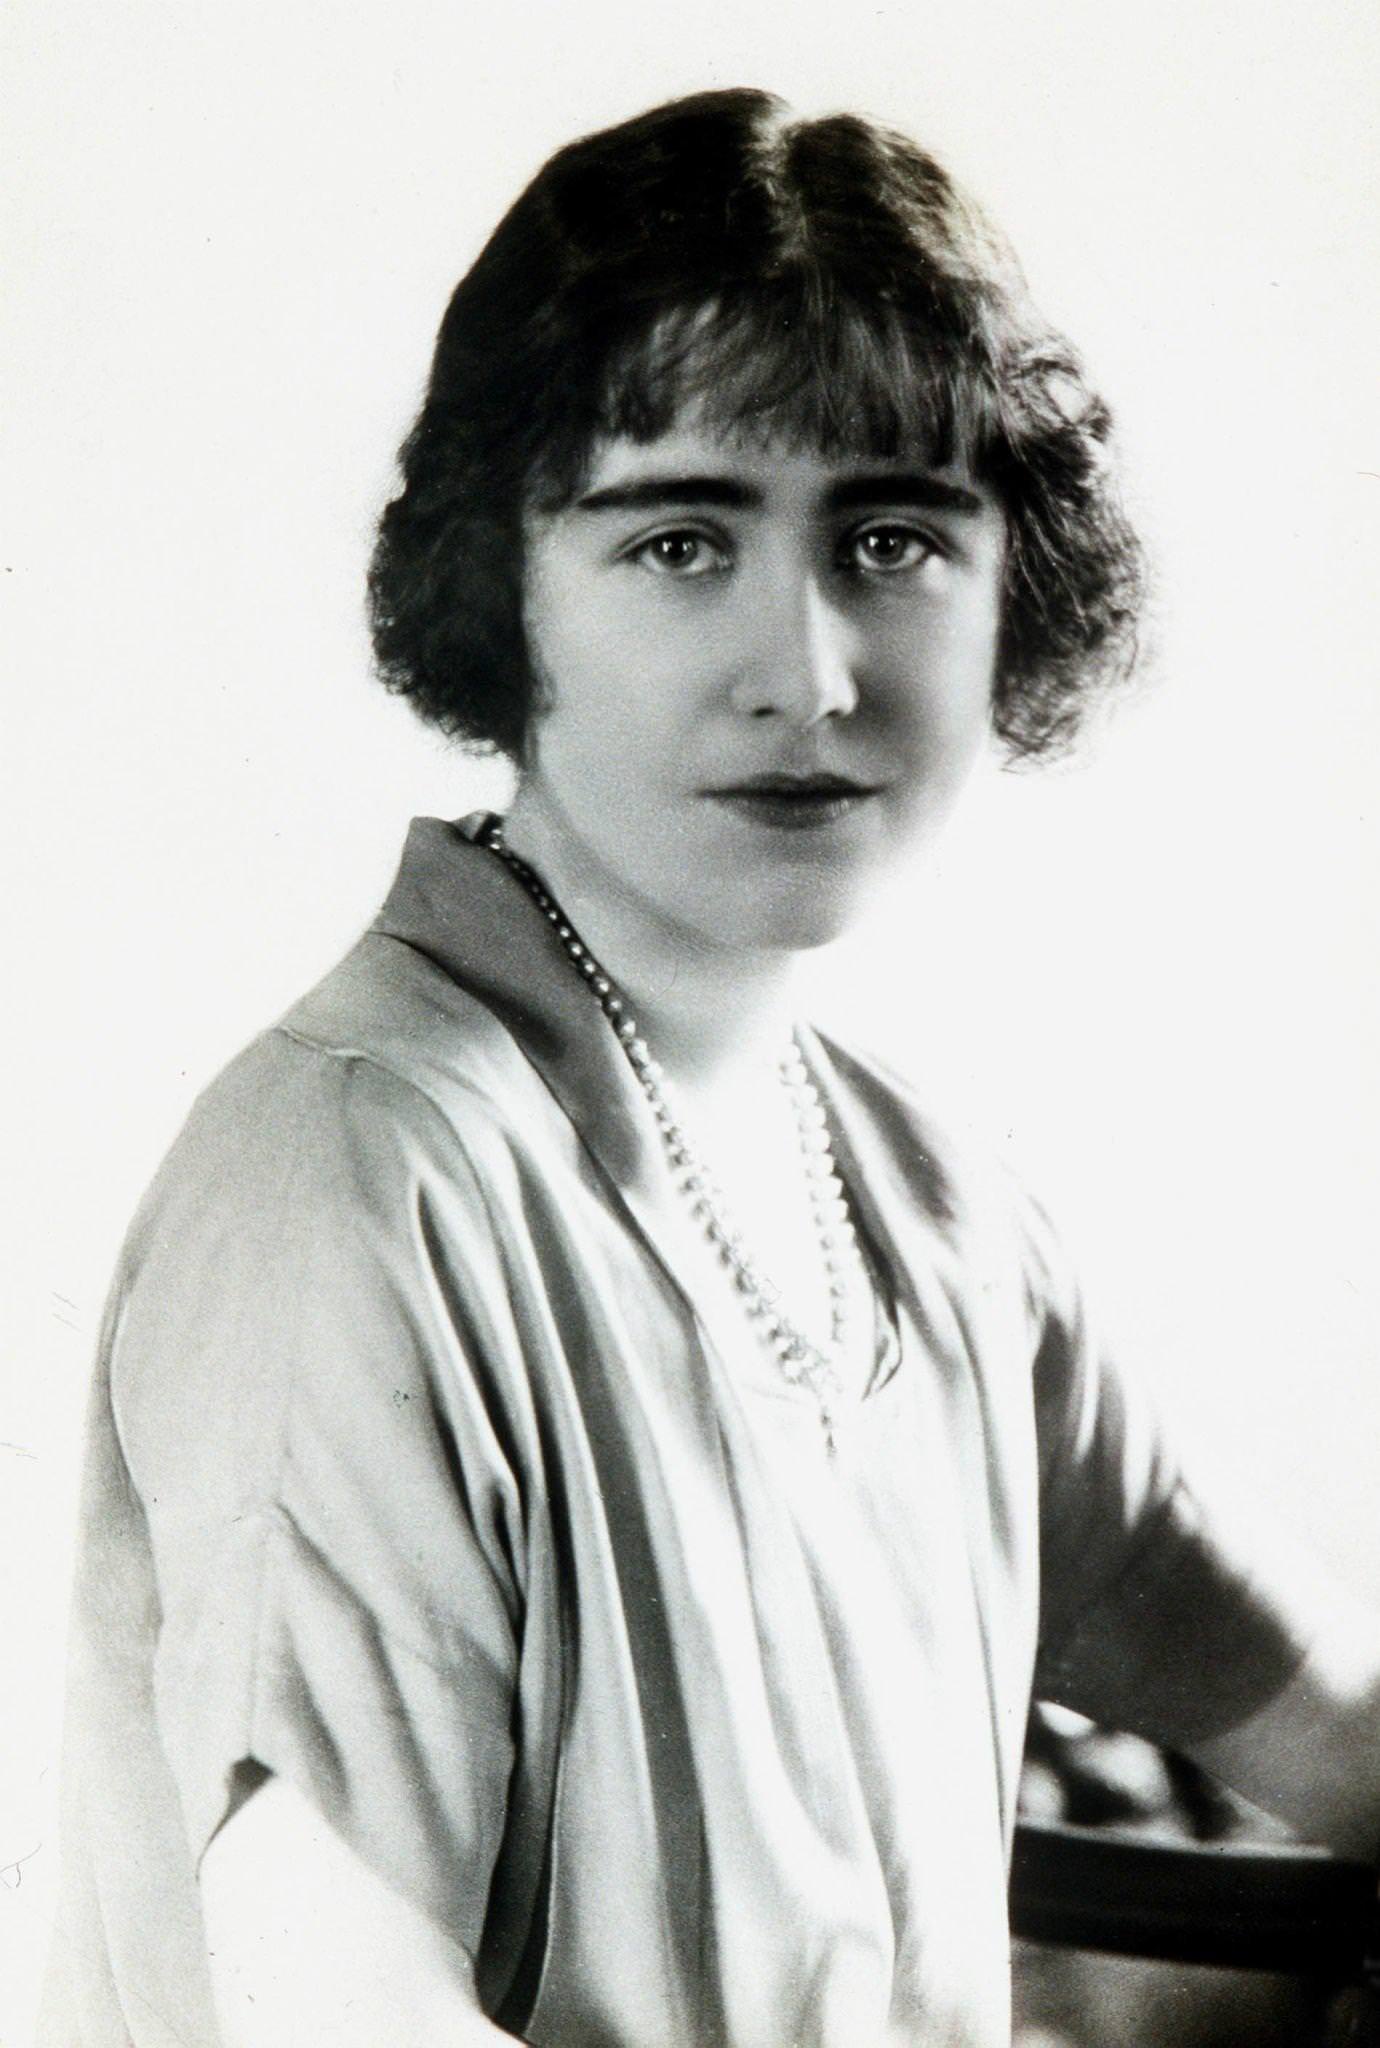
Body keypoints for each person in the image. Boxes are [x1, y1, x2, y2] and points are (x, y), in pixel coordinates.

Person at [43, 87, 1380, 2048]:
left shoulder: (928, 1198)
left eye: (895, 536)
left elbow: (1315, 1729)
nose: (810, 670)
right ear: (505, 584)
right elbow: (324, 2001)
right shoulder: (356, 1183)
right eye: (681, 539)